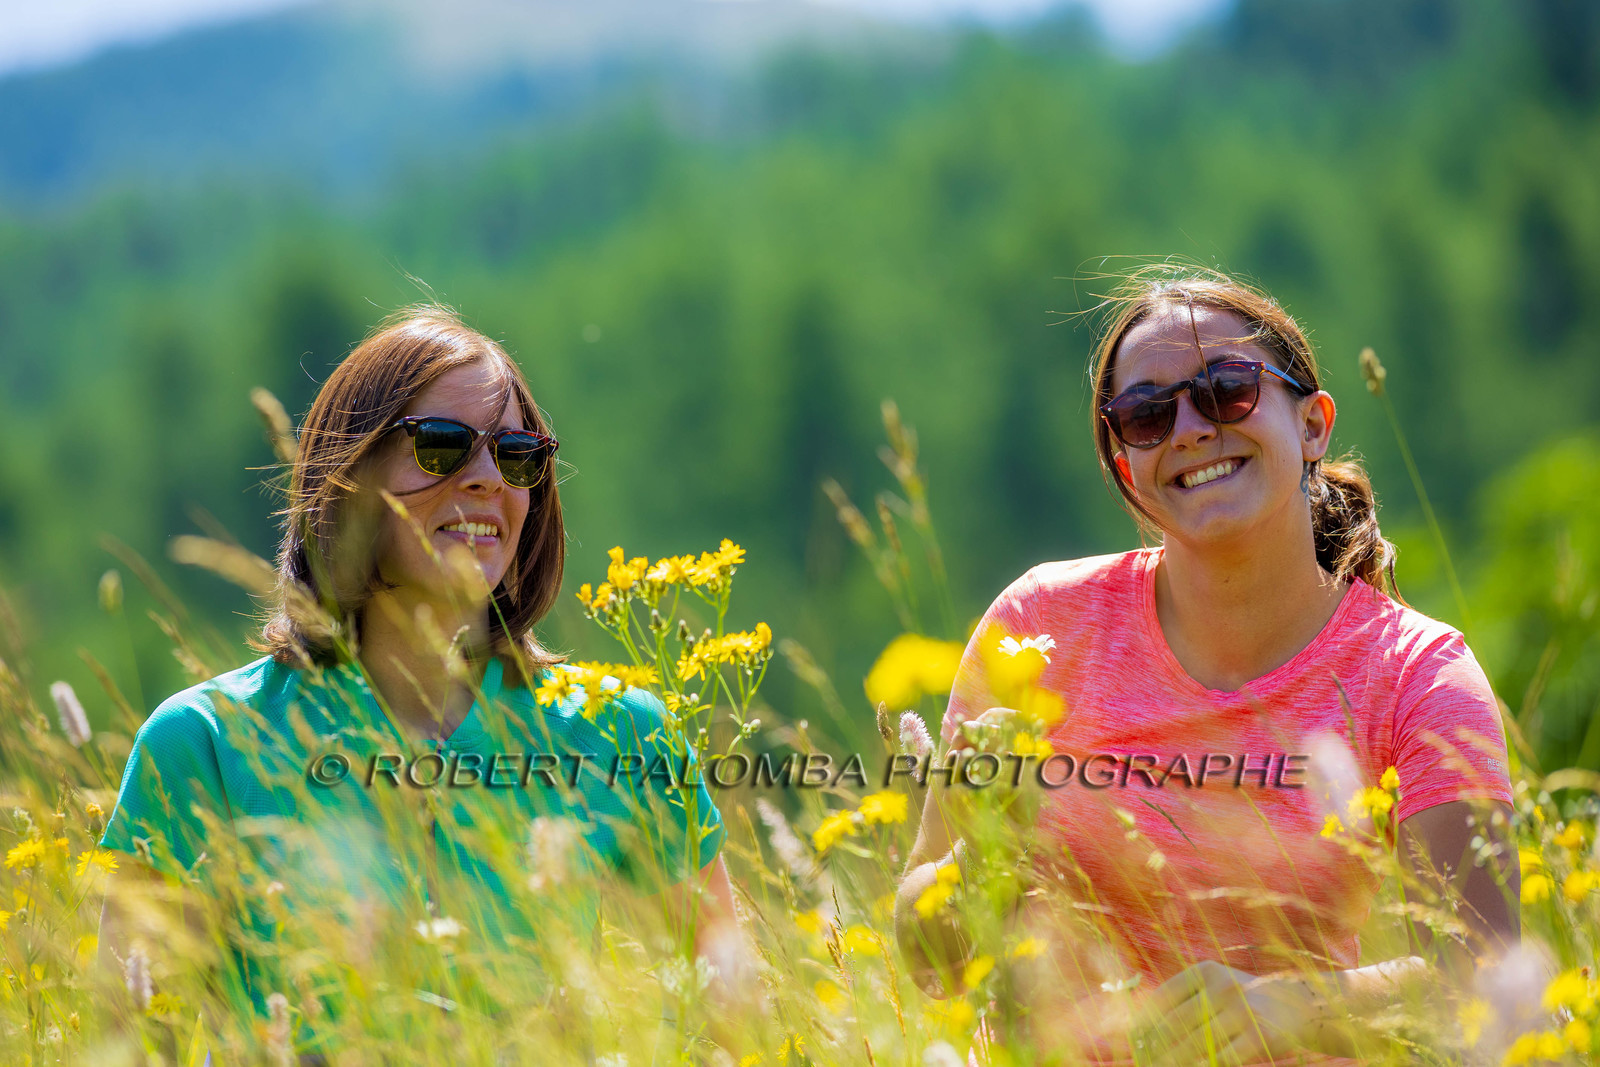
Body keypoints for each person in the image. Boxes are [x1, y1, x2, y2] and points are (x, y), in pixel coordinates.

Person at [895, 267, 1519, 1064]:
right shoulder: (1037, 628)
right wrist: (979, 854)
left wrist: (1294, 1006)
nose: (1188, 428)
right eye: (1147, 415)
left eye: (1226, 390)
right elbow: (923, 957)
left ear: (1315, 424)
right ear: (1128, 469)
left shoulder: (1415, 675)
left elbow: (1486, 973)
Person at [96, 306, 740, 1058]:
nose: (487, 480)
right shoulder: (202, 744)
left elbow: (733, 1005)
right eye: (441, 447)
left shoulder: (619, 731)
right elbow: (131, 1041)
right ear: (349, 480)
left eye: (519, 455)